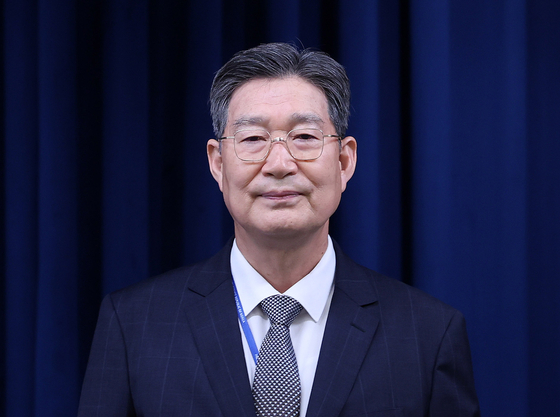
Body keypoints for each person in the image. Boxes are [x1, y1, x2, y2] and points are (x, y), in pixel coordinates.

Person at [78, 43, 480, 417]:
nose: (279, 164)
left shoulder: (428, 334)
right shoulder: (134, 324)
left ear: (344, 162)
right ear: (218, 164)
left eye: (304, 137)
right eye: (253, 138)